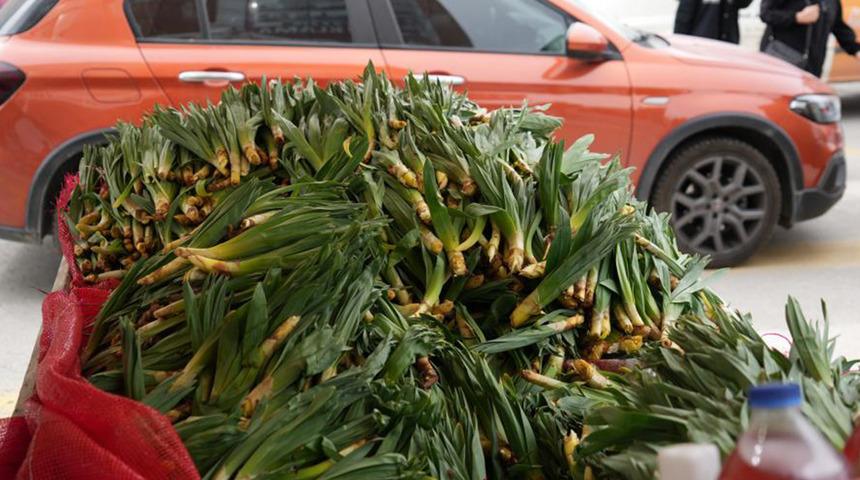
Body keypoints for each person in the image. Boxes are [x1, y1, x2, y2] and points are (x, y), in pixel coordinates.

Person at [761, 0, 860, 77]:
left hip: (812, 67)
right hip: (782, 61)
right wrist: (797, 17)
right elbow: (766, 13)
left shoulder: (832, 2)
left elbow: (838, 26)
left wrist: (856, 49)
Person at [675, 0, 755, 44]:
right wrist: (680, 44)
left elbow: (744, 3)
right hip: (701, 43)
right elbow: (683, 18)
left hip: (728, 42)